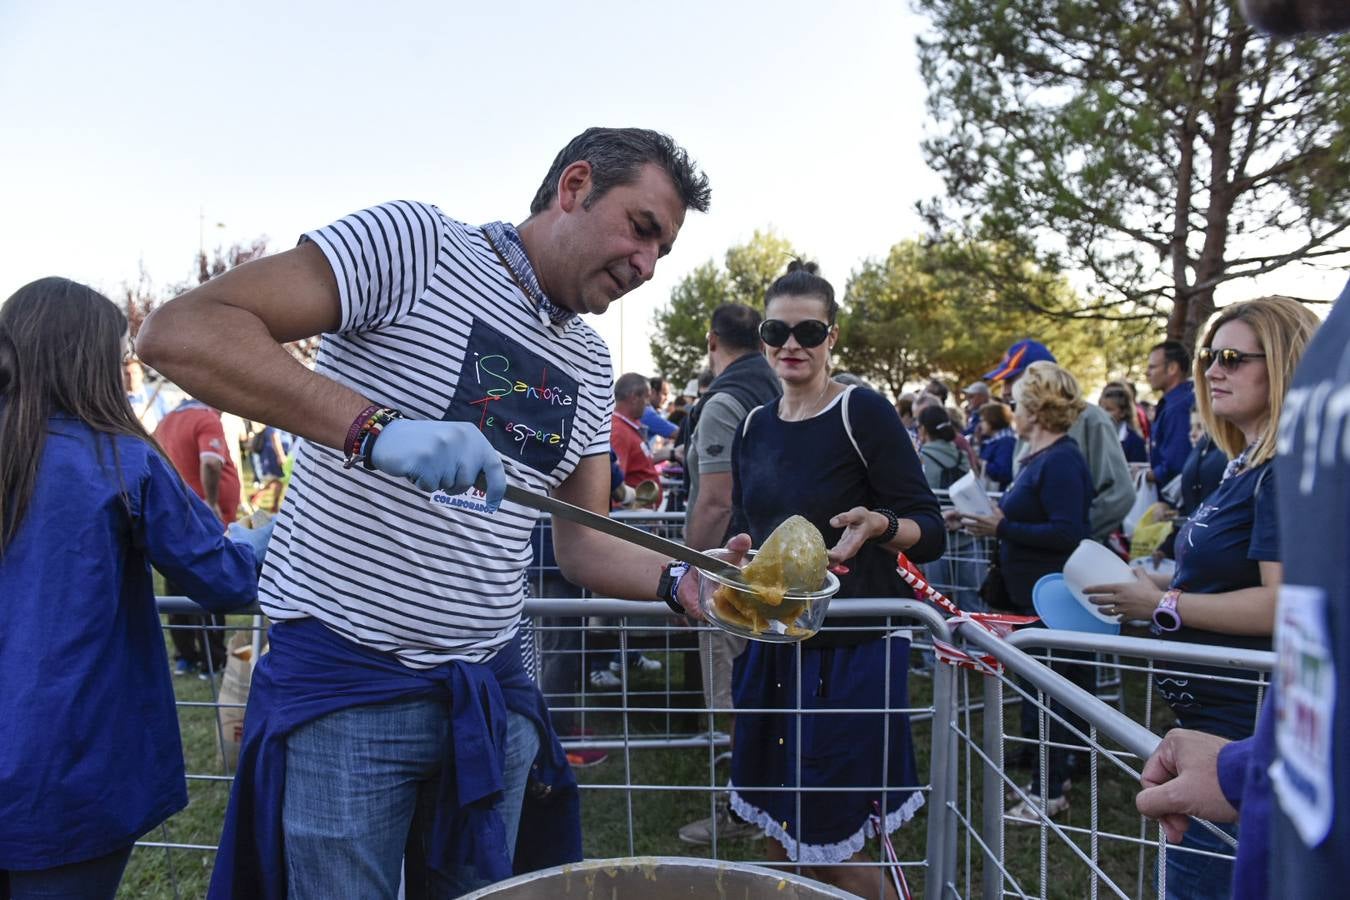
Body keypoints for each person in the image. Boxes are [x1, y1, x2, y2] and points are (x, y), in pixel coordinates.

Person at [137, 126, 729, 897]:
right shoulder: (416, 246)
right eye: (642, 229)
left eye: (663, 252)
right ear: (575, 186)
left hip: (488, 699)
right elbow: (180, 331)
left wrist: (686, 579)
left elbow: (582, 546)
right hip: (346, 691)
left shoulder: (588, 360)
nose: (648, 266)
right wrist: (377, 432)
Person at [0, 277, 266, 900]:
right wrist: (266, 539)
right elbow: (225, 579)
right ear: (89, 360)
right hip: (65, 762)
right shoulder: (116, 458)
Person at [725, 261, 944, 899]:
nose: (791, 344)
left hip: (852, 655)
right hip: (771, 649)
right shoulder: (752, 424)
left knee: (832, 842)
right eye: (776, 329)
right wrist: (739, 551)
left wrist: (879, 522)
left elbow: (930, 527)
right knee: (775, 836)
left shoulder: (862, 411)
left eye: (809, 331)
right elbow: (749, 526)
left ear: (832, 339)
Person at [1089, 296, 1320, 897]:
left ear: (1286, 364)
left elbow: (1283, 604)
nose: (1213, 370)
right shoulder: (1245, 465)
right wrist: (1156, 584)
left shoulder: (1280, 471)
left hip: (1240, 733)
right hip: (1215, 724)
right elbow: (1228, 574)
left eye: (1234, 358)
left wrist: (1163, 606)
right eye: (1212, 358)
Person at [959, 361, 1093, 822]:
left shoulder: (1061, 461)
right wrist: (991, 521)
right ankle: (1050, 773)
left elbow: (1067, 531)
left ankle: (1049, 790)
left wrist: (1004, 525)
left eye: (1018, 399)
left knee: (1050, 696)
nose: (1011, 407)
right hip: (1028, 596)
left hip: (1049, 600)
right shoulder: (1040, 457)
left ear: (1037, 406)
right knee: (1040, 693)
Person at [678, 301, 780, 846]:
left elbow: (715, 503)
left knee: (738, 697)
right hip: (780, 565)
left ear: (711, 338)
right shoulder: (779, 385)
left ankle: (745, 809)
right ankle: (774, 801)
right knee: (767, 692)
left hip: (732, 573)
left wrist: (683, 575)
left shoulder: (725, 401)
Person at [984, 339, 1133, 542]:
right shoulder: (1027, 427)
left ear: (1043, 377)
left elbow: (1119, 494)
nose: (1004, 391)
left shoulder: (1092, 419)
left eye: (1011, 380)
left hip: (1064, 562)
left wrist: (1079, 537)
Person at [155, 395, 244, 678]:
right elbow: (210, 462)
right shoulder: (205, 418)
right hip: (203, 521)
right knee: (209, 584)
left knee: (176, 584)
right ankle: (212, 658)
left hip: (176, 518)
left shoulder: (166, 421)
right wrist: (213, 501)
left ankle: (185, 656)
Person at [1146, 340, 1196, 490]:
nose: (1147, 373)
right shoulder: (1176, 402)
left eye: (1152, 367)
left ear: (1173, 368)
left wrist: (1143, 475)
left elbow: (1175, 465)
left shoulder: (1178, 407)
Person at [610, 372, 663, 508]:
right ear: (633, 397)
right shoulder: (619, 431)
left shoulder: (628, 427)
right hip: (631, 519)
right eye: (646, 397)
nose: (648, 404)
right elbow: (615, 486)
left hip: (638, 517)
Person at [1099, 384, 1148, 464]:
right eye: (1101, 409)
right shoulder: (1096, 435)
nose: (1103, 413)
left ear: (1123, 412)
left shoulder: (1134, 441)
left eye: (1109, 409)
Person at [124, 353, 172, 432]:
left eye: (135, 373)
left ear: (142, 374)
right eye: (127, 374)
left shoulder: (155, 395)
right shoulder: (116, 398)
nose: (131, 377)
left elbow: (168, 421)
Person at [976, 402, 1016, 491]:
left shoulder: (1006, 442)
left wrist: (982, 463)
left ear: (993, 420)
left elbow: (1003, 472)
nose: (980, 425)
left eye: (983, 420)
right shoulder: (992, 441)